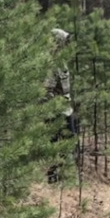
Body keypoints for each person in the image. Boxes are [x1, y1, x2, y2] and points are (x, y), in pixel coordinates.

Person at [45, 28, 78, 182]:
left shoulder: (61, 61)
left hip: (66, 108)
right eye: (64, 41)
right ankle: (53, 175)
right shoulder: (50, 63)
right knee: (54, 143)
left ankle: (66, 174)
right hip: (55, 110)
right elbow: (47, 90)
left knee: (69, 141)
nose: (67, 45)